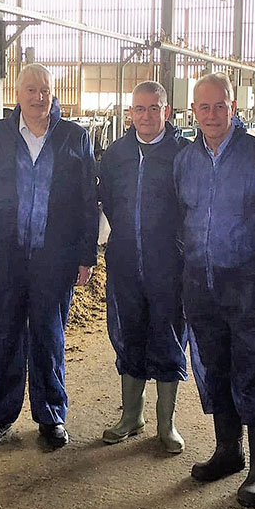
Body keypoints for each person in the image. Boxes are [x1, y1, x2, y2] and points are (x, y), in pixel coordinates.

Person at [0, 63, 100, 451]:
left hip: (54, 257)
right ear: (17, 93)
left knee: (49, 336)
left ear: (54, 92)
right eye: (31, 89)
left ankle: (51, 416)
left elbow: (87, 203)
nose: (38, 96)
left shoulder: (75, 137)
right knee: (5, 335)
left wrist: (85, 255)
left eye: (45, 89)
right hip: (5, 254)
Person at [174, 71, 255, 508]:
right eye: (204, 107)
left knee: (252, 366)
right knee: (214, 365)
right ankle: (228, 451)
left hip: (247, 280)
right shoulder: (185, 158)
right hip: (200, 278)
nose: (212, 114)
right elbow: (180, 213)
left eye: (220, 106)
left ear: (234, 107)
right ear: (192, 110)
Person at [98, 81, 191, 454]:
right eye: (139, 109)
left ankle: (166, 424)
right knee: (129, 331)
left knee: (168, 333)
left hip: (169, 260)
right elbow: (105, 201)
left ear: (167, 111)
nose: (146, 116)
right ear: (129, 113)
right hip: (124, 258)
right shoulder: (116, 154)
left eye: (154, 108)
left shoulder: (183, 153)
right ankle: (131, 416)